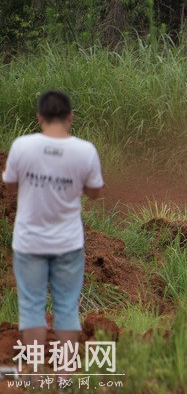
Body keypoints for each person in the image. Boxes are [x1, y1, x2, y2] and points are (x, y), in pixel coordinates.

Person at [2, 91, 104, 350]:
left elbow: (10, 187)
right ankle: (65, 375)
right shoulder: (85, 151)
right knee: (67, 307)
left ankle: (35, 375)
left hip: (30, 242)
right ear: (70, 117)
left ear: (39, 118)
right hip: (68, 243)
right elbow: (94, 193)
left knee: (32, 307)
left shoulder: (22, 146)